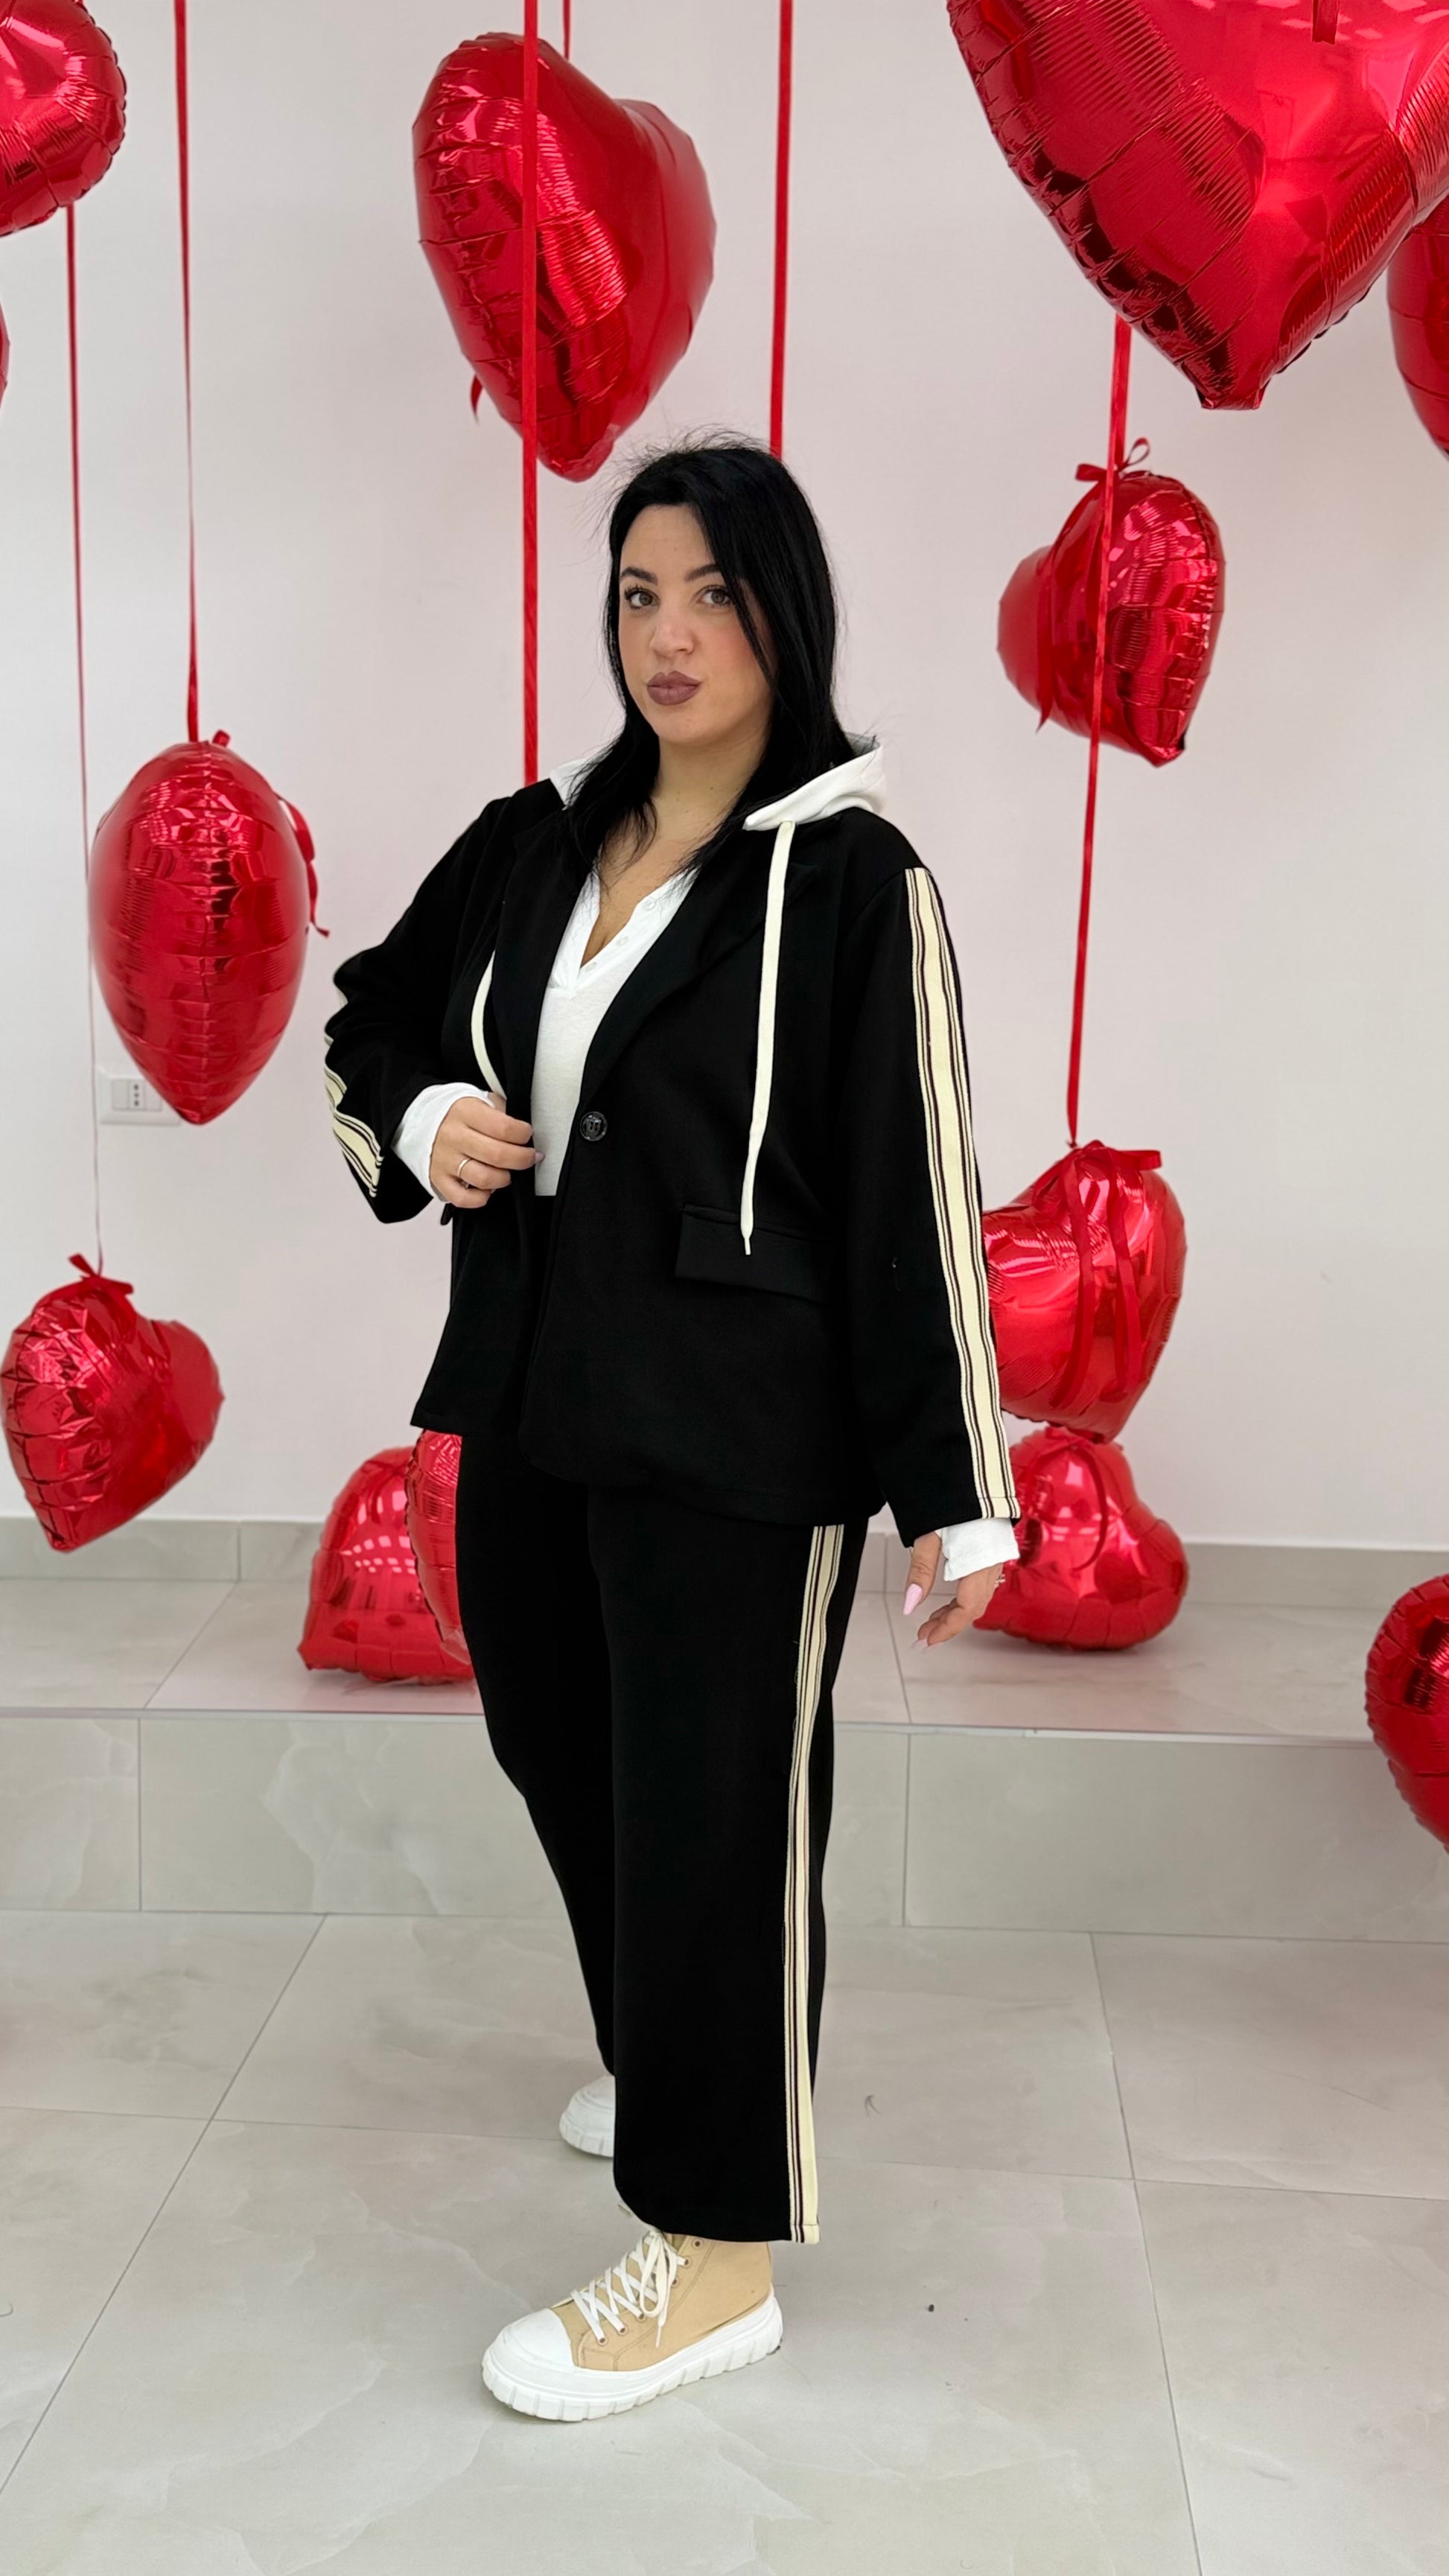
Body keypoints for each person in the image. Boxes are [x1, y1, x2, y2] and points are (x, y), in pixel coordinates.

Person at [322, 434, 1020, 2423]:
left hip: (741, 1434)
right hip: (531, 1390)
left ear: (784, 612)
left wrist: (957, 1490)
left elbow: (912, 1191)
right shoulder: (537, 839)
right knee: (558, 1740)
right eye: (639, 593)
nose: (670, 633)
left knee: (716, 1817)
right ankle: (669, 2052)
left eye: (712, 592)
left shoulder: (854, 879)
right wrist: (424, 1116)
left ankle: (711, 2257)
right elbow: (372, 1017)